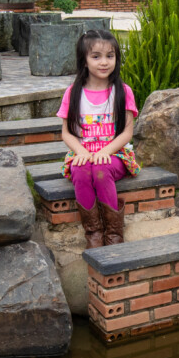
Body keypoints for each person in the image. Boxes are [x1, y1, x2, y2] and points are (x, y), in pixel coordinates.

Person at [57, 29, 138, 248]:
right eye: (96, 56)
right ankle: (93, 233)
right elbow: (66, 132)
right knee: (81, 171)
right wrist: (82, 152)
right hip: (84, 152)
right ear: (84, 61)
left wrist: (105, 151)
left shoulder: (122, 91)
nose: (104, 62)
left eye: (109, 56)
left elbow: (127, 133)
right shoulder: (74, 93)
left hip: (115, 154)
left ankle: (113, 234)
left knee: (101, 171)